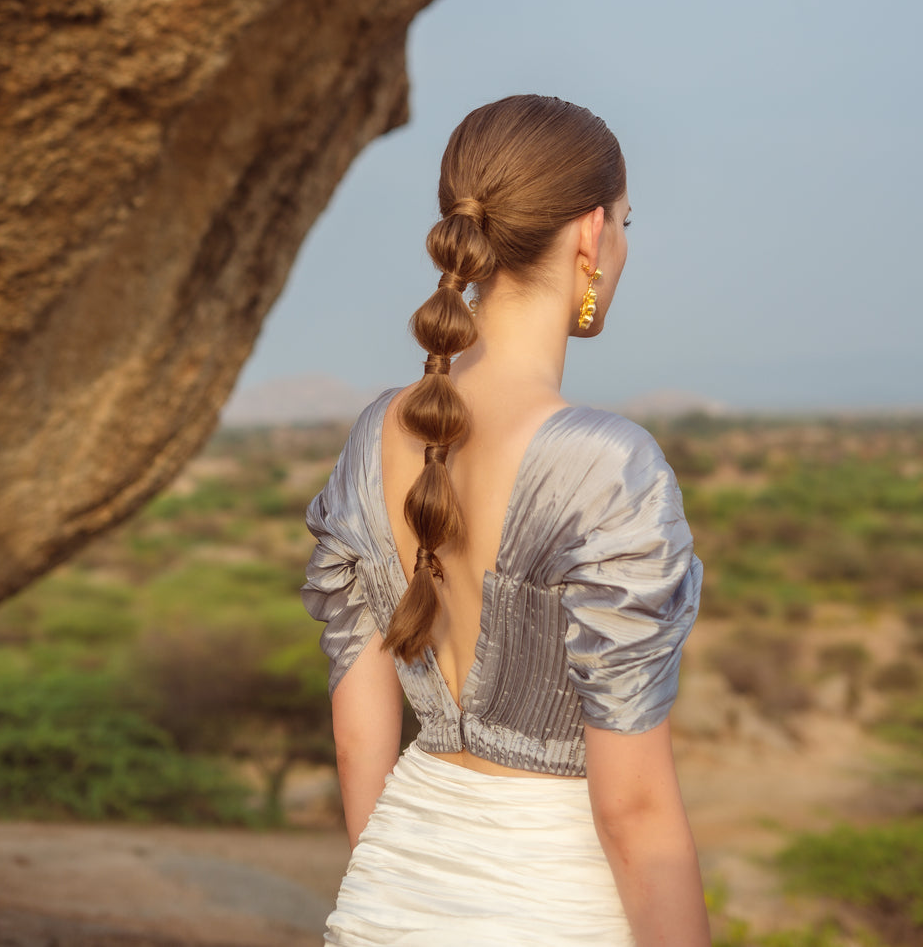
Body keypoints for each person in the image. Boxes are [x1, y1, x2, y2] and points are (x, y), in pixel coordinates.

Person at [301, 94, 709, 946]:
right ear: (591, 235)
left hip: (388, 895)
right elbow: (633, 811)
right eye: (627, 221)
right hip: (555, 908)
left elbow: (355, 735)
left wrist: (397, 889)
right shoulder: (606, 463)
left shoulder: (375, 433)